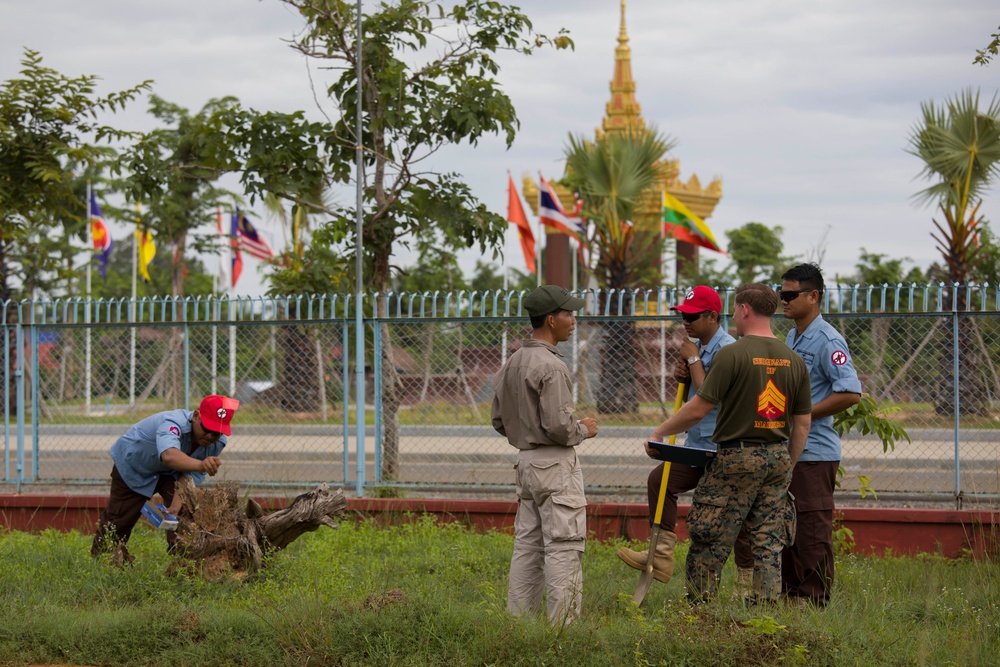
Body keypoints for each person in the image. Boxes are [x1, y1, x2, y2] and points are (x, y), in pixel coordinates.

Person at [645, 283, 811, 603]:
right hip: (777, 457)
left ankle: (700, 611)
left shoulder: (733, 353)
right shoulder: (794, 359)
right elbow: (802, 422)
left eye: (735, 309)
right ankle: (764, 613)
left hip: (737, 455)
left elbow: (701, 406)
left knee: (710, 537)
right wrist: (786, 462)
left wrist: (660, 432)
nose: (733, 315)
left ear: (745, 310)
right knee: (767, 542)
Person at [616, 286, 739, 586]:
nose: (686, 321)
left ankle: (746, 582)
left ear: (712, 316)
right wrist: (684, 372)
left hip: (722, 448)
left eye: (692, 316)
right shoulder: (699, 347)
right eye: (683, 315)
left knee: (738, 516)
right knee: (660, 481)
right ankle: (660, 554)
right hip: (698, 445)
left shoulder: (727, 349)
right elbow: (696, 391)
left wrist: (694, 361)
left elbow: (713, 398)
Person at [491, 285, 599, 626]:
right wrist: (582, 429)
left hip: (525, 462)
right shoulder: (551, 366)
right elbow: (558, 426)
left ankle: (518, 626)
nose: (573, 320)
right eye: (568, 314)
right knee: (563, 546)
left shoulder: (514, 361)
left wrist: (526, 432)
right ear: (551, 320)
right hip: (555, 463)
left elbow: (498, 419)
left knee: (527, 546)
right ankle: (562, 632)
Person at [775, 263, 862, 606]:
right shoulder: (793, 336)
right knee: (788, 527)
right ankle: (791, 596)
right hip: (790, 448)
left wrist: (805, 414)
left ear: (813, 297)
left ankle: (813, 602)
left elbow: (850, 392)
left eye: (790, 294)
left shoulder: (828, 339)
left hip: (814, 452)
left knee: (811, 528)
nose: (784, 300)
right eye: (781, 293)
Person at [91, 394, 240, 561]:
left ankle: (184, 565)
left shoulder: (217, 443)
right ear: (196, 416)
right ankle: (102, 562)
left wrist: (176, 506)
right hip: (135, 466)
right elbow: (169, 455)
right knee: (118, 521)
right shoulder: (172, 423)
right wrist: (201, 464)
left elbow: (190, 477)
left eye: (216, 433)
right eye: (206, 428)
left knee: (185, 515)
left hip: (171, 473)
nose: (210, 437)